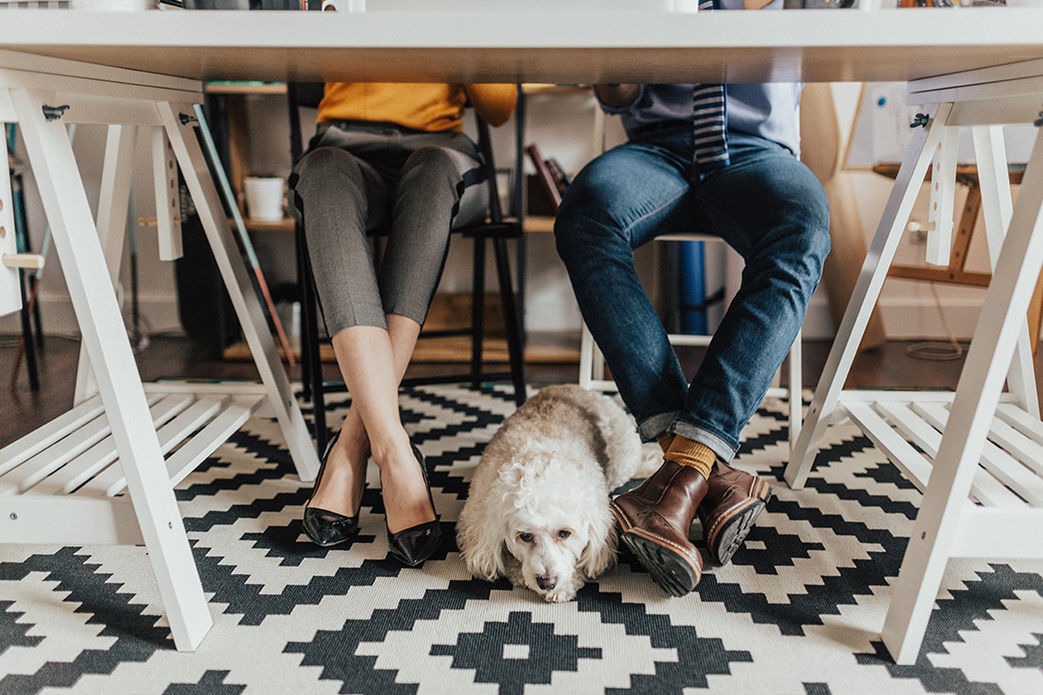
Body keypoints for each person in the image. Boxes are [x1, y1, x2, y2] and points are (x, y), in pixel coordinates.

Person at [553, 0, 830, 595]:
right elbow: (617, 91)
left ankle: (680, 474)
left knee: (802, 230)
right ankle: (708, 468)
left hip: (758, 152)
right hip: (657, 148)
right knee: (585, 214)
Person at [290, 81, 517, 567]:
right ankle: (395, 451)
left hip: (443, 151)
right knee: (324, 171)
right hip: (341, 144)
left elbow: (499, 108)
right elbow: (296, 68)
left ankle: (352, 445)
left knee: (434, 173)